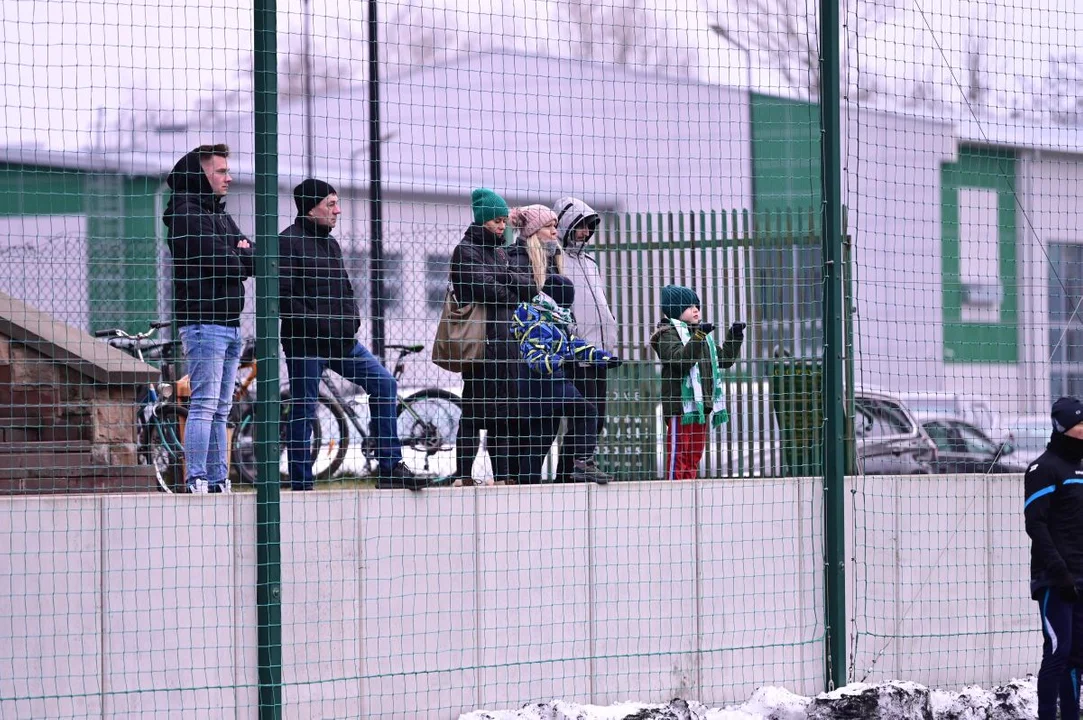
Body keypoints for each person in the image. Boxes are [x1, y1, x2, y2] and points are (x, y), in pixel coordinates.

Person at [279, 178, 426, 491]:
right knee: (304, 410)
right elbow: (286, 300)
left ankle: (389, 468)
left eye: (337, 203)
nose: (338, 210)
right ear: (310, 208)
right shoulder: (286, 242)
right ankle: (301, 486)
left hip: (342, 342)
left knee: (384, 383)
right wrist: (324, 326)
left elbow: (345, 290)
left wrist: (351, 321)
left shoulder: (330, 243)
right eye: (330, 204)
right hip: (306, 345)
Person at [163, 144, 253, 494]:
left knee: (221, 408)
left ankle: (218, 479)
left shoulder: (217, 213)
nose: (228, 178)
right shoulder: (187, 214)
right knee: (203, 405)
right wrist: (238, 253)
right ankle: (196, 478)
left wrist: (240, 253)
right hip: (204, 325)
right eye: (220, 172)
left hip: (229, 324)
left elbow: (253, 256)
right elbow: (225, 261)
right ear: (201, 175)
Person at [449, 188, 536, 486]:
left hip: (506, 344)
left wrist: (506, 281)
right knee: (474, 412)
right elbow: (485, 288)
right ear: (482, 220)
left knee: (503, 414)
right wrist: (509, 285)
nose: (502, 226)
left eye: (503, 221)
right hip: (480, 344)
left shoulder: (500, 251)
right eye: (496, 221)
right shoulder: (466, 250)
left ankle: (502, 477)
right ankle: (464, 475)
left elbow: (529, 285)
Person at [511, 275, 619, 485]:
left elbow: (574, 346)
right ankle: (583, 463)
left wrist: (602, 358)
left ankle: (525, 487)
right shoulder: (539, 322)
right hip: (545, 385)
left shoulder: (552, 318)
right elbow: (537, 360)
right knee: (588, 411)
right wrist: (559, 360)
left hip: (539, 387)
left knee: (540, 440)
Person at [551, 197, 618, 483]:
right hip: (577, 353)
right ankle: (570, 473)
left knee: (596, 419)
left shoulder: (590, 262)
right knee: (583, 417)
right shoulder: (556, 259)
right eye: (580, 225)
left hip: (599, 352)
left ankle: (567, 476)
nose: (585, 232)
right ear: (566, 224)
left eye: (589, 226)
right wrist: (573, 336)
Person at [1024, 396, 1083, 720]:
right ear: (1064, 427)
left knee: (1076, 657)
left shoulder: (1080, 467)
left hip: (1081, 576)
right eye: (1079, 423)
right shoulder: (1043, 468)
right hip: (1054, 579)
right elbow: (1035, 524)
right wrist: (1059, 571)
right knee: (1058, 653)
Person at [649, 284, 745, 481]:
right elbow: (680, 360)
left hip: (700, 407)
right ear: (675, 310)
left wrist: (734, 336)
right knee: (679, 456)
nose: (695, 310)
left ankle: (689, 493)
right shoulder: (666, 335)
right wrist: (700, 336)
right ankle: (674, 495)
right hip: (680, 409)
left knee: (694, 456)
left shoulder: (699, 337)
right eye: (689, 306)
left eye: (697, 306)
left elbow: (724, 359)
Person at [508, 204, 563, 291]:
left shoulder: (552, 258)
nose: (554, 232)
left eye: (554, 226)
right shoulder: (519, 262)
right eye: (548, 226)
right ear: (532, 232)